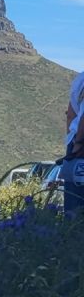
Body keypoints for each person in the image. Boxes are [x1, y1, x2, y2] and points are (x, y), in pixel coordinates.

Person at [67, 69, 84, 214]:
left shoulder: (81, 78)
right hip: (80, 143)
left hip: (76, 143)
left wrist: (73, 142)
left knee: (74, 206)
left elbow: (71, 114)